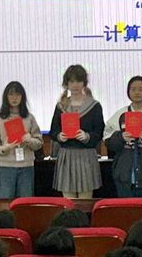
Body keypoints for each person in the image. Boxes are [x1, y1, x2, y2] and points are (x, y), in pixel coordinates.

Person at [49, 65, 105, 199]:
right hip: (66, 155)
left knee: (85, 201)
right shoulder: (61, 106)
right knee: (68, 202)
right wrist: (59, 136)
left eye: (78, 81)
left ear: (84, 83)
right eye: (71, 81)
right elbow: (53, 131)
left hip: (86, 155)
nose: (75, 85)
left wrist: (87, 136)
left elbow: (99, 132)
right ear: (66, 84)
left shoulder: (94, 106)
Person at [0, 81, 44, 198]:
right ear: (6, 97)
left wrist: (30, 140)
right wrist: (3, 148)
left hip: (26, 167)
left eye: (18, 94)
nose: (14, 98)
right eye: (11, 94)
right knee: (4, 202)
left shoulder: (29, 118)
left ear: (22, 97)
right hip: (5, 166)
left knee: (25, 203)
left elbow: (39, 142)